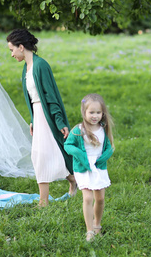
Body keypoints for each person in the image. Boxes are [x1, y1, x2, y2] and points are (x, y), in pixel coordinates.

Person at [6, 29, 77, 207]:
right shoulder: (27, 68)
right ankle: (73, 179)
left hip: (47, 117)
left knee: (42, 155)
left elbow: (51, 97)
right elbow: (33, 98)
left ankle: (43, 201)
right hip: (38, 116)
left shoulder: (40, 66)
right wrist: (32, 119)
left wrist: (60, 122)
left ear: (21, 47)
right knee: (43, 154)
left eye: (12, 50)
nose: (12, 54)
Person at [64, 93, 115, 242]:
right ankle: (89, 231)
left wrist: (103, 158)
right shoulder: (78, 129)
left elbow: (108, 147)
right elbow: (68, 145)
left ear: (102, 113)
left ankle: (97, 224)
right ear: (84, 112)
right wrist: (79, 154)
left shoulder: (103, 129)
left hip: (98, 167)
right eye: (91, 112)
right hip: (83, 168)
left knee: (100, 198)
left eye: (98, 112)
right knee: (88, 198)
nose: (95, 116)